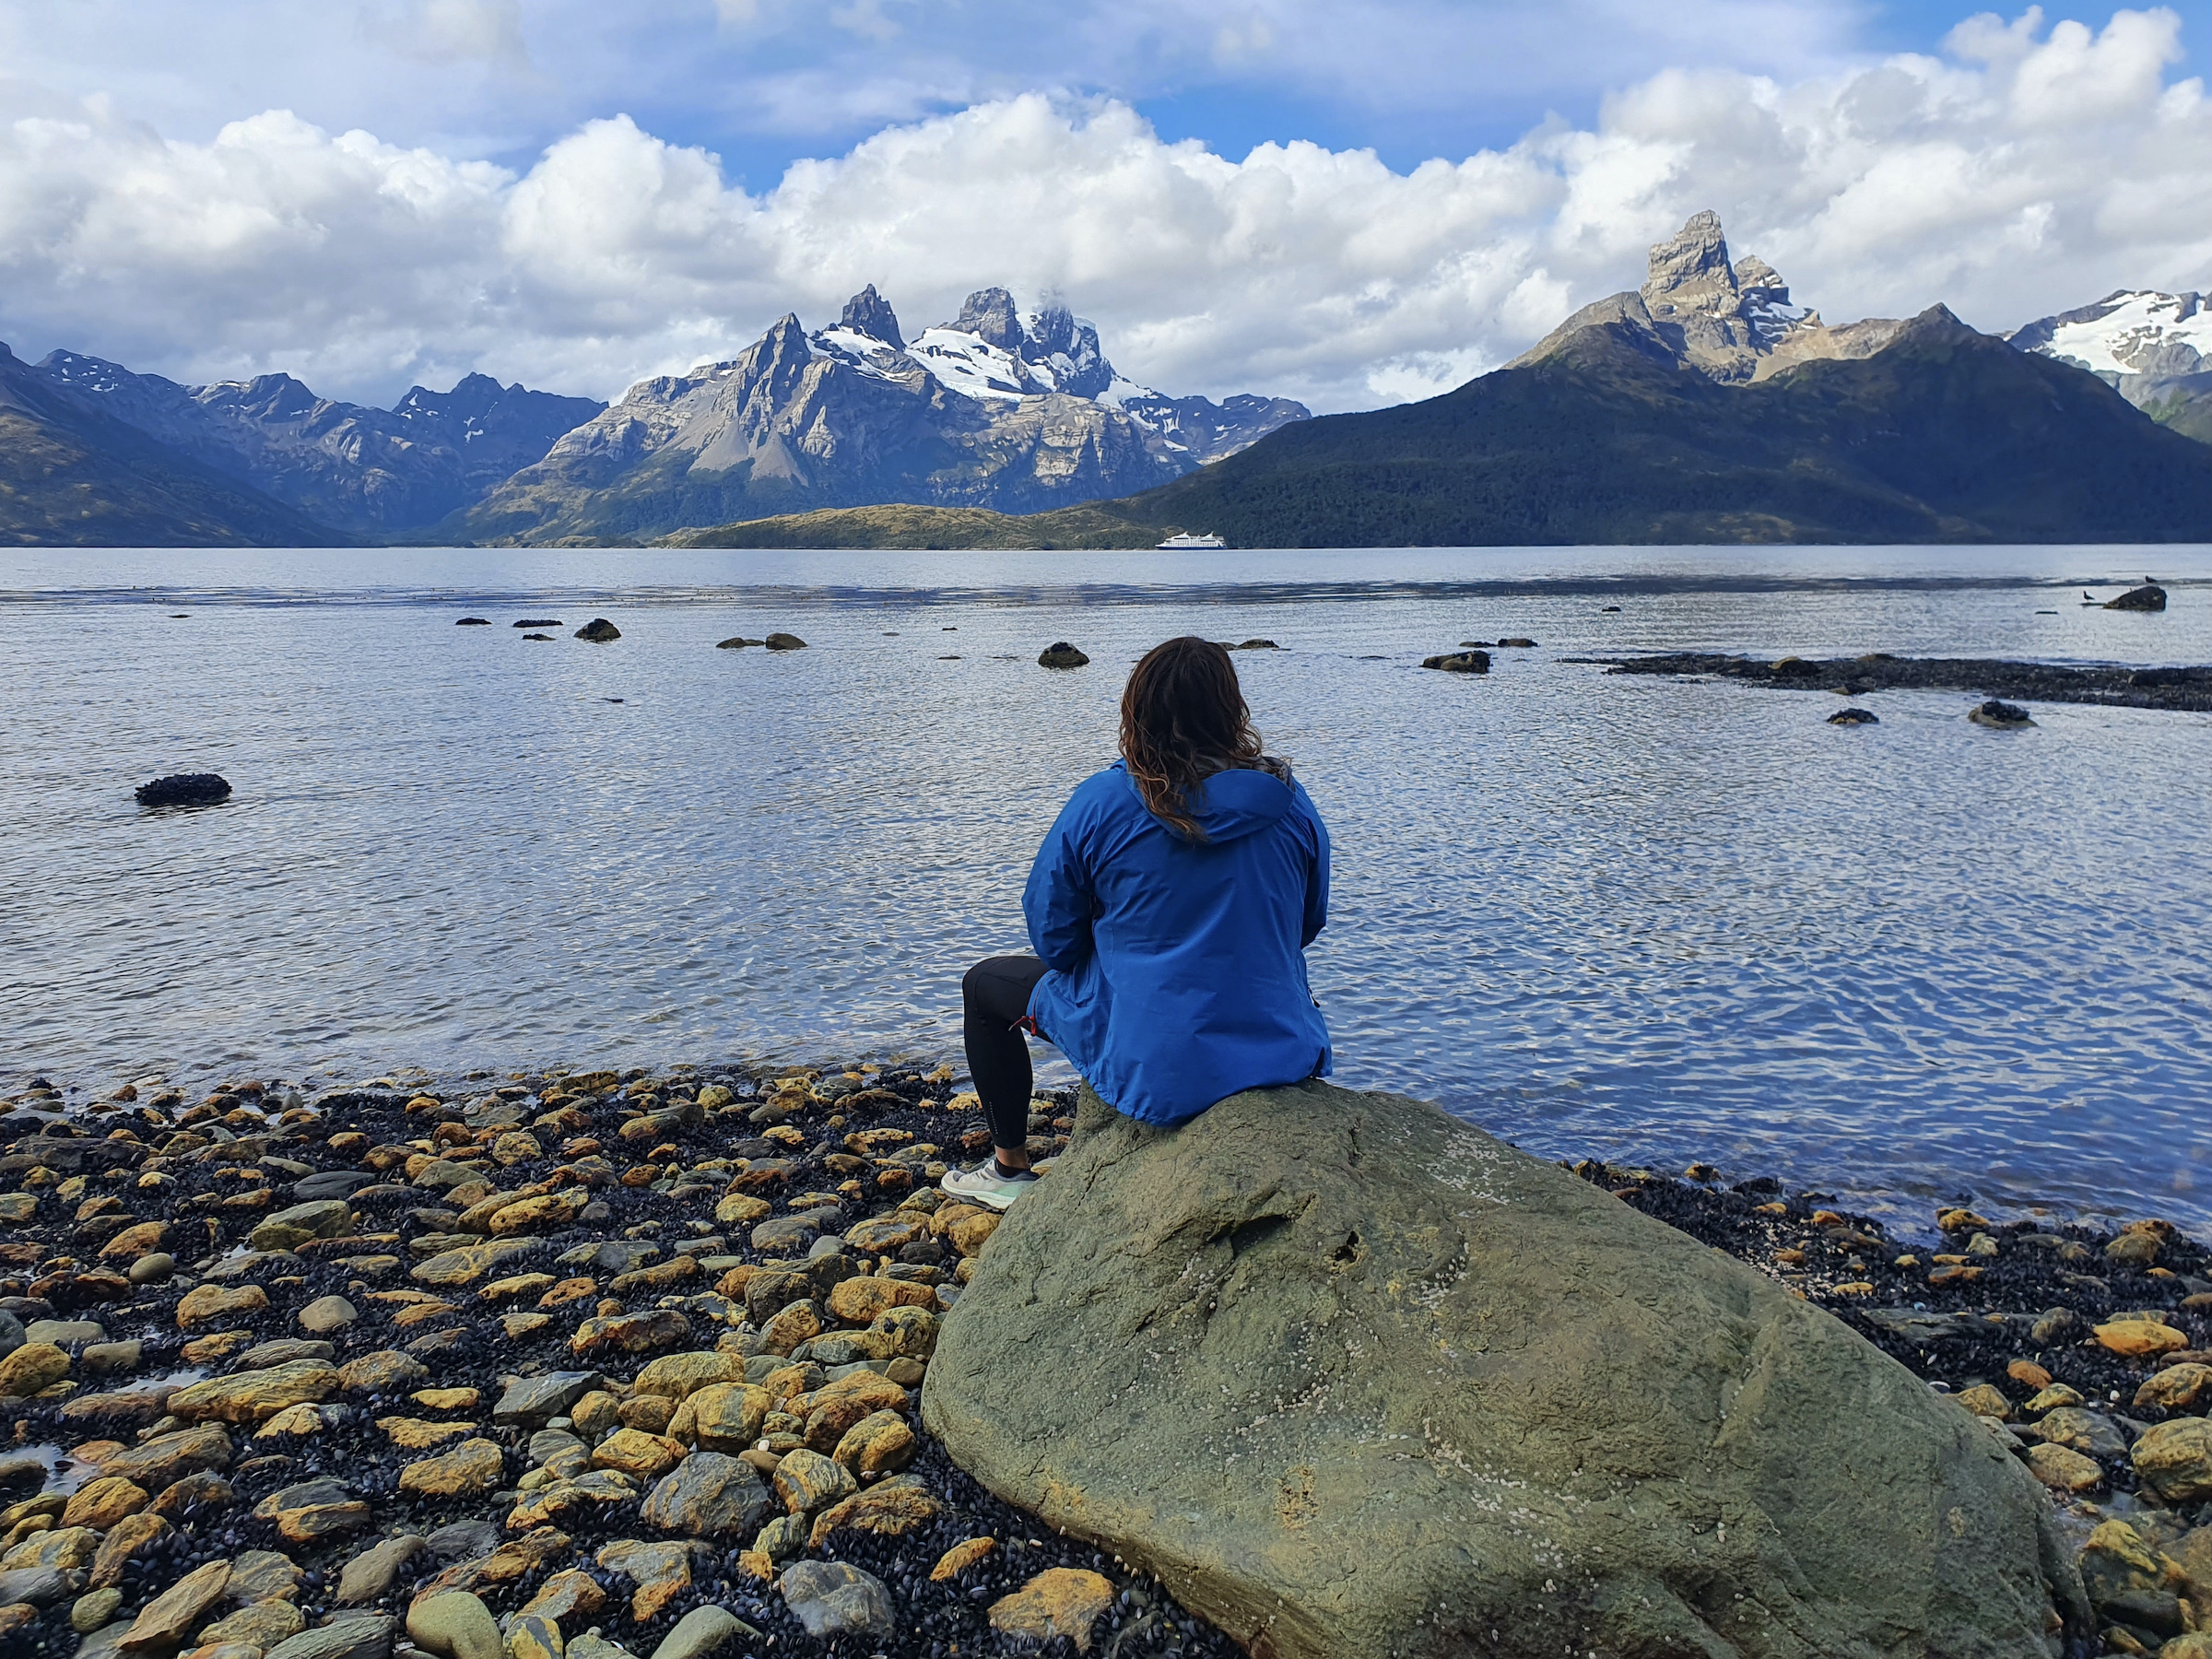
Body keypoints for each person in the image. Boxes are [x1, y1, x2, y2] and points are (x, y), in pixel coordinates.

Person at [942, 635, 1332, 1211]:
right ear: (1232, 709)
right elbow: (1306, 926)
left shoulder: (1103, 802)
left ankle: (1009, 1167)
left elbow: (1053, 938)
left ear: (1137, 711)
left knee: (984, 986)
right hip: (1281, 1049)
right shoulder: (1291, 803)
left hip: (1162, 1068)